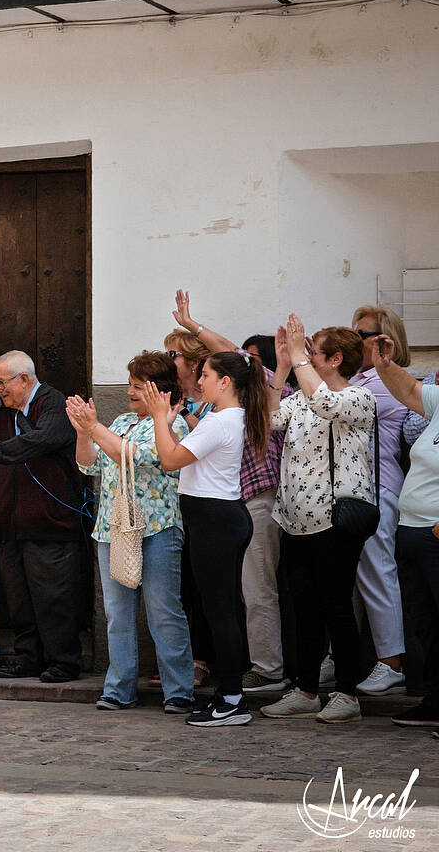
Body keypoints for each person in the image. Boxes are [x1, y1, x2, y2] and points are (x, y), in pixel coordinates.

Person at [171, 291, 291, 694]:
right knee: (231, 596)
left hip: (254, 500)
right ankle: (240, 674)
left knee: (256, 588)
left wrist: (195, 329)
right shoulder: (226, 410)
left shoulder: (264, 400)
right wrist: (192, 326)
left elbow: (173, 458)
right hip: (234, 503)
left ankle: (266, 669)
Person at [142, 349, 269, 727]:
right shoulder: (224, 416)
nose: (200, 382)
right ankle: (229, 693)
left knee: (221, 614)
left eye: (207, 376)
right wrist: (171, 417)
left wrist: (157, 419)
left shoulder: (221, 421)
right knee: (223, 610)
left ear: (225, 382)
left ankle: (232, 700)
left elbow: (170, 459)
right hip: (219, 519)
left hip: (217, 522)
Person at [258, 318, 376, 725]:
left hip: (335, 520)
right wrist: (284, 367)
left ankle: (347, 693)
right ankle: (306, 690)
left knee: (336, 607)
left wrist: (298, 359)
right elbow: (272, 419)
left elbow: (324, 403)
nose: (306, 353)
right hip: (294, 520)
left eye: (314, 350)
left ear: (336, 359)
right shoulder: (301, 397)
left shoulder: (359, 398)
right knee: (305, 608)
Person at [68, 353, 194, 712]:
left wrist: (94, 428)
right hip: (113, 528)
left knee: (163, 610)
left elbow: (135, 456)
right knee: (117, 614)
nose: (130, 392)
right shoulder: (121, 420)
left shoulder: (173, 424)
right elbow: (88, 462)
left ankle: (179, 691)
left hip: (157, 528)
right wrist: (83, 433)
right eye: (131, 384)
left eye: (139, 386)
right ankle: (119, 689)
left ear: (159, 390)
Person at [0, 351, 86, 684]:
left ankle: (64, 660)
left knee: (53, 595)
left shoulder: (53, 403)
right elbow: (1, 452)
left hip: (50, 520)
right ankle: (28, 657)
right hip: (11, 521)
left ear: (24, 379)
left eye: (1, 383)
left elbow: (42, 439)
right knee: (19, 598)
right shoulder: (5, 415)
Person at [368, 334, 439, 728]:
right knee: (425, 621)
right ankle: (434, 699)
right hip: (412, 530)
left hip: (435, 533)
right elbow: (410, 389)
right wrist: (383, 365)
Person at [349, 305, 412, 696]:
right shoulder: (361, 379)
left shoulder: (386, 382)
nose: (356, 341)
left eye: (362, 335)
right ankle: (341, 658)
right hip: (355, 491)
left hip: (380, 488)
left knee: (377, 572)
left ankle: (391, 662)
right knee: (349, 579)